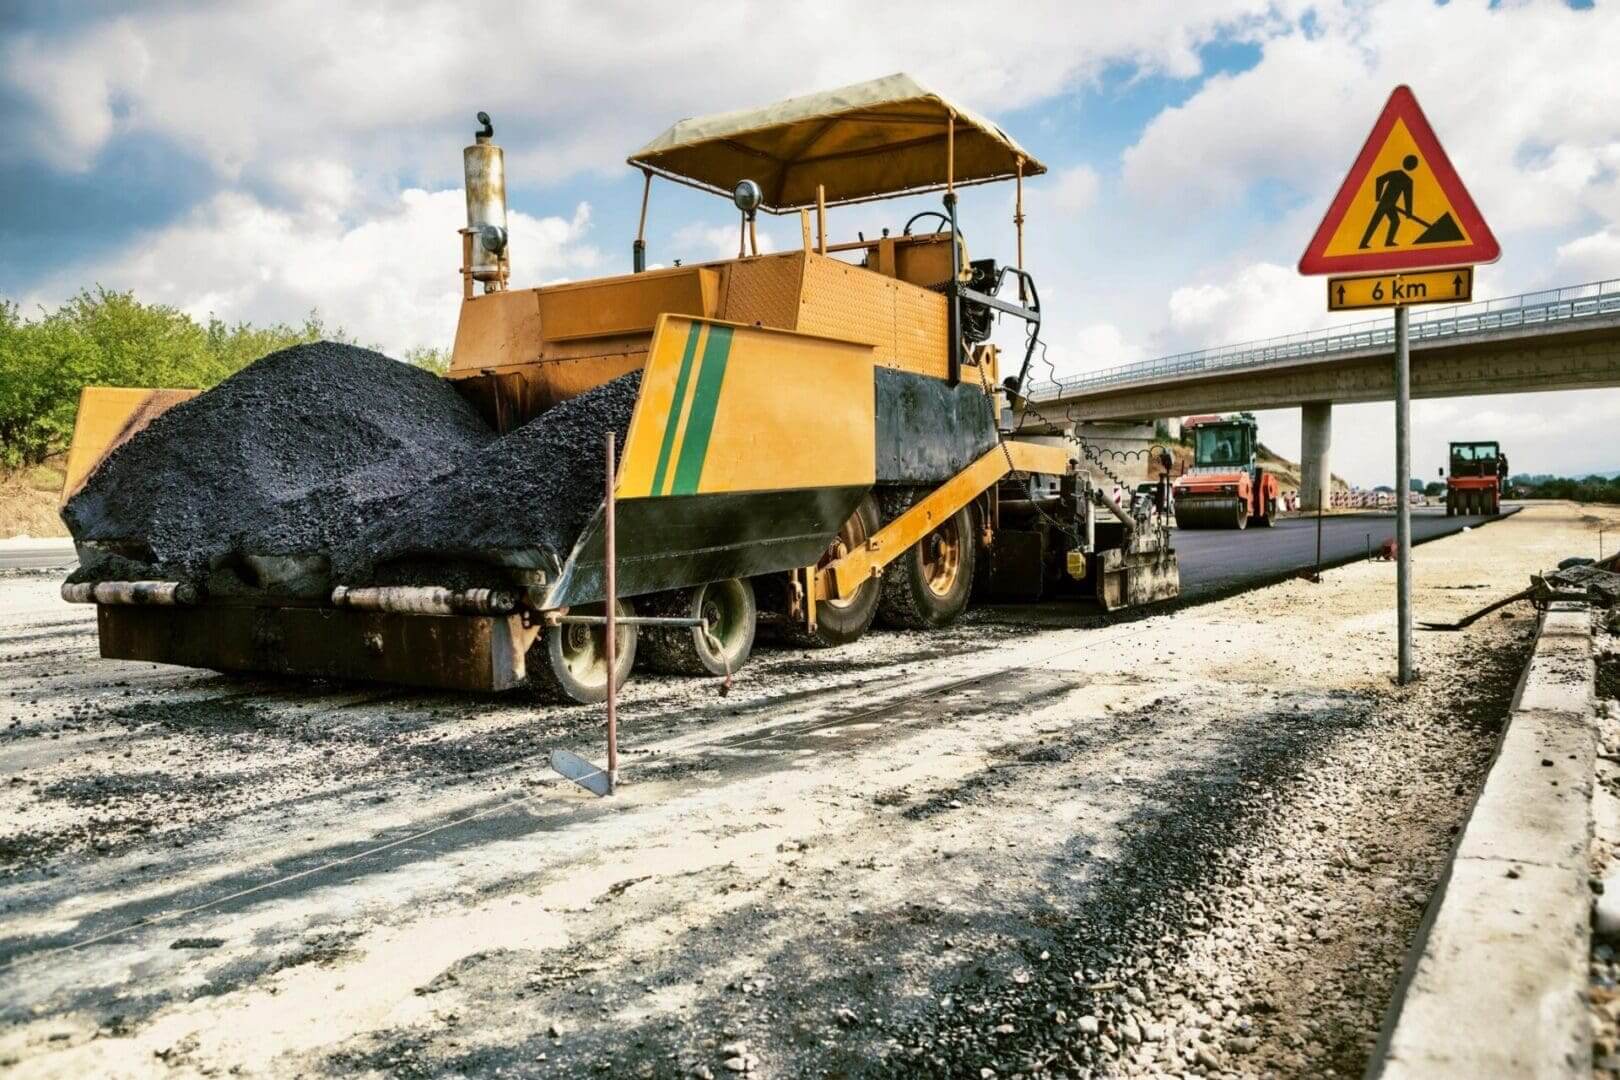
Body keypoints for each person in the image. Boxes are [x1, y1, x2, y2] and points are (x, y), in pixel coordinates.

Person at [1358, 154, 1418, 249]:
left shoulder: (1401, 177)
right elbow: (1379, 180)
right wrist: (1408, 213)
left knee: (1393, 221)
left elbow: (1407, 197)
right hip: (1385, 203)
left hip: (1390, 204)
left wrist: (1408, 213)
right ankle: (1363, 244)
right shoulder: (1406, 179)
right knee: (1376, 222)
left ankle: (1387, 242)